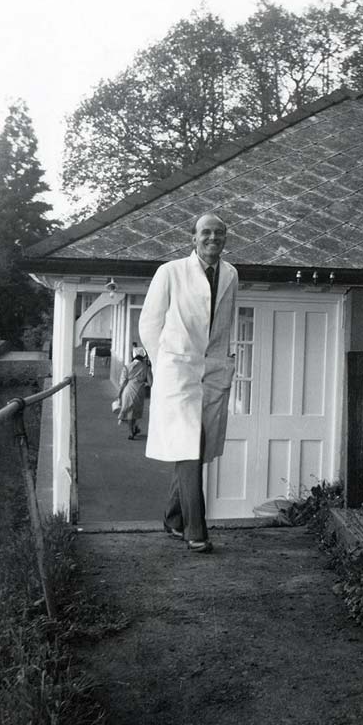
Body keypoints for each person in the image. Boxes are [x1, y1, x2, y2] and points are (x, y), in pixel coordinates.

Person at [139, 213, 238, 553]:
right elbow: (149, 323)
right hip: (177, 371)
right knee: (188, 445)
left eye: (219, 233)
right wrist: (166, 362)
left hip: (211, 371)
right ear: (193, 238)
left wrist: (223, 360)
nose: (213, 238)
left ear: (225, 239)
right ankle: (196, 530)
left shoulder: (230, 274)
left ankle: (173, 518)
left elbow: (224, 325)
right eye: (206, 232)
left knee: (197, 446)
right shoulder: (170, 272)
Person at [117, 346, 153, 439]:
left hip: (128, 391)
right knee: (136, 412)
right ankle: (134, 427)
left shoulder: (127, 367)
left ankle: (131, 431)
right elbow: (150, 383)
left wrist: (119, 394)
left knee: (129, 411)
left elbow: (123, 383)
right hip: (140, 392)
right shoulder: (146, 368)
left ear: (133, 356)